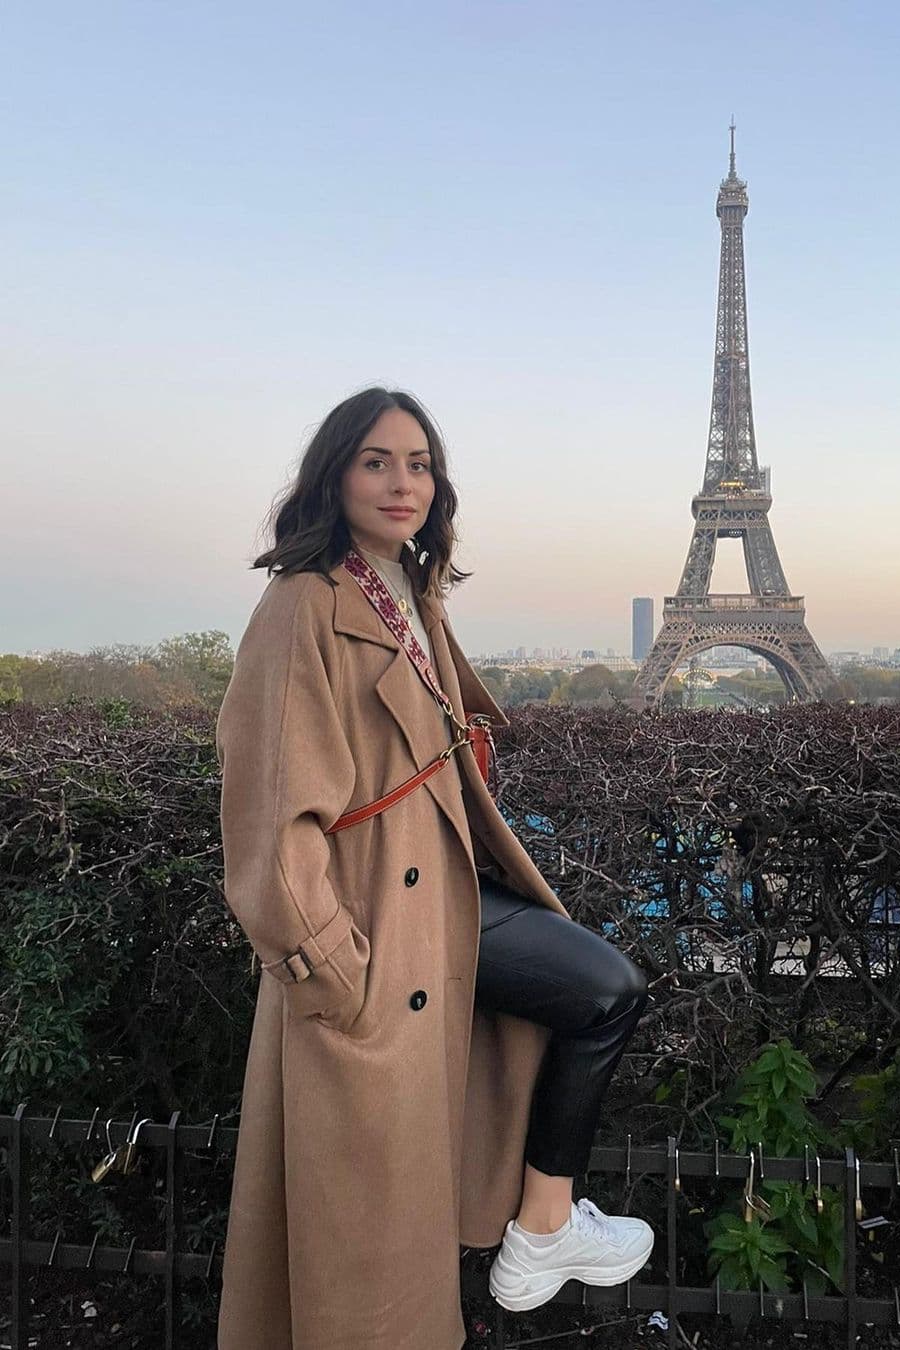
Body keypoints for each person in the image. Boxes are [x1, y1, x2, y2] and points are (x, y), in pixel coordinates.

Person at [214, 386, 654, 1350]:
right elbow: (268, 815)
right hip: (372, 923)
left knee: (604, 990)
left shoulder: (407, 588)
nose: (401, 482)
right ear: (334, 475)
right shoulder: (303, 603)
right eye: (375, 461)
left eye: (418, 464)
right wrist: (335, 972)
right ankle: (539, 1232)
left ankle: (543, 1224)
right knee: (366, 1252)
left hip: (437, 898)